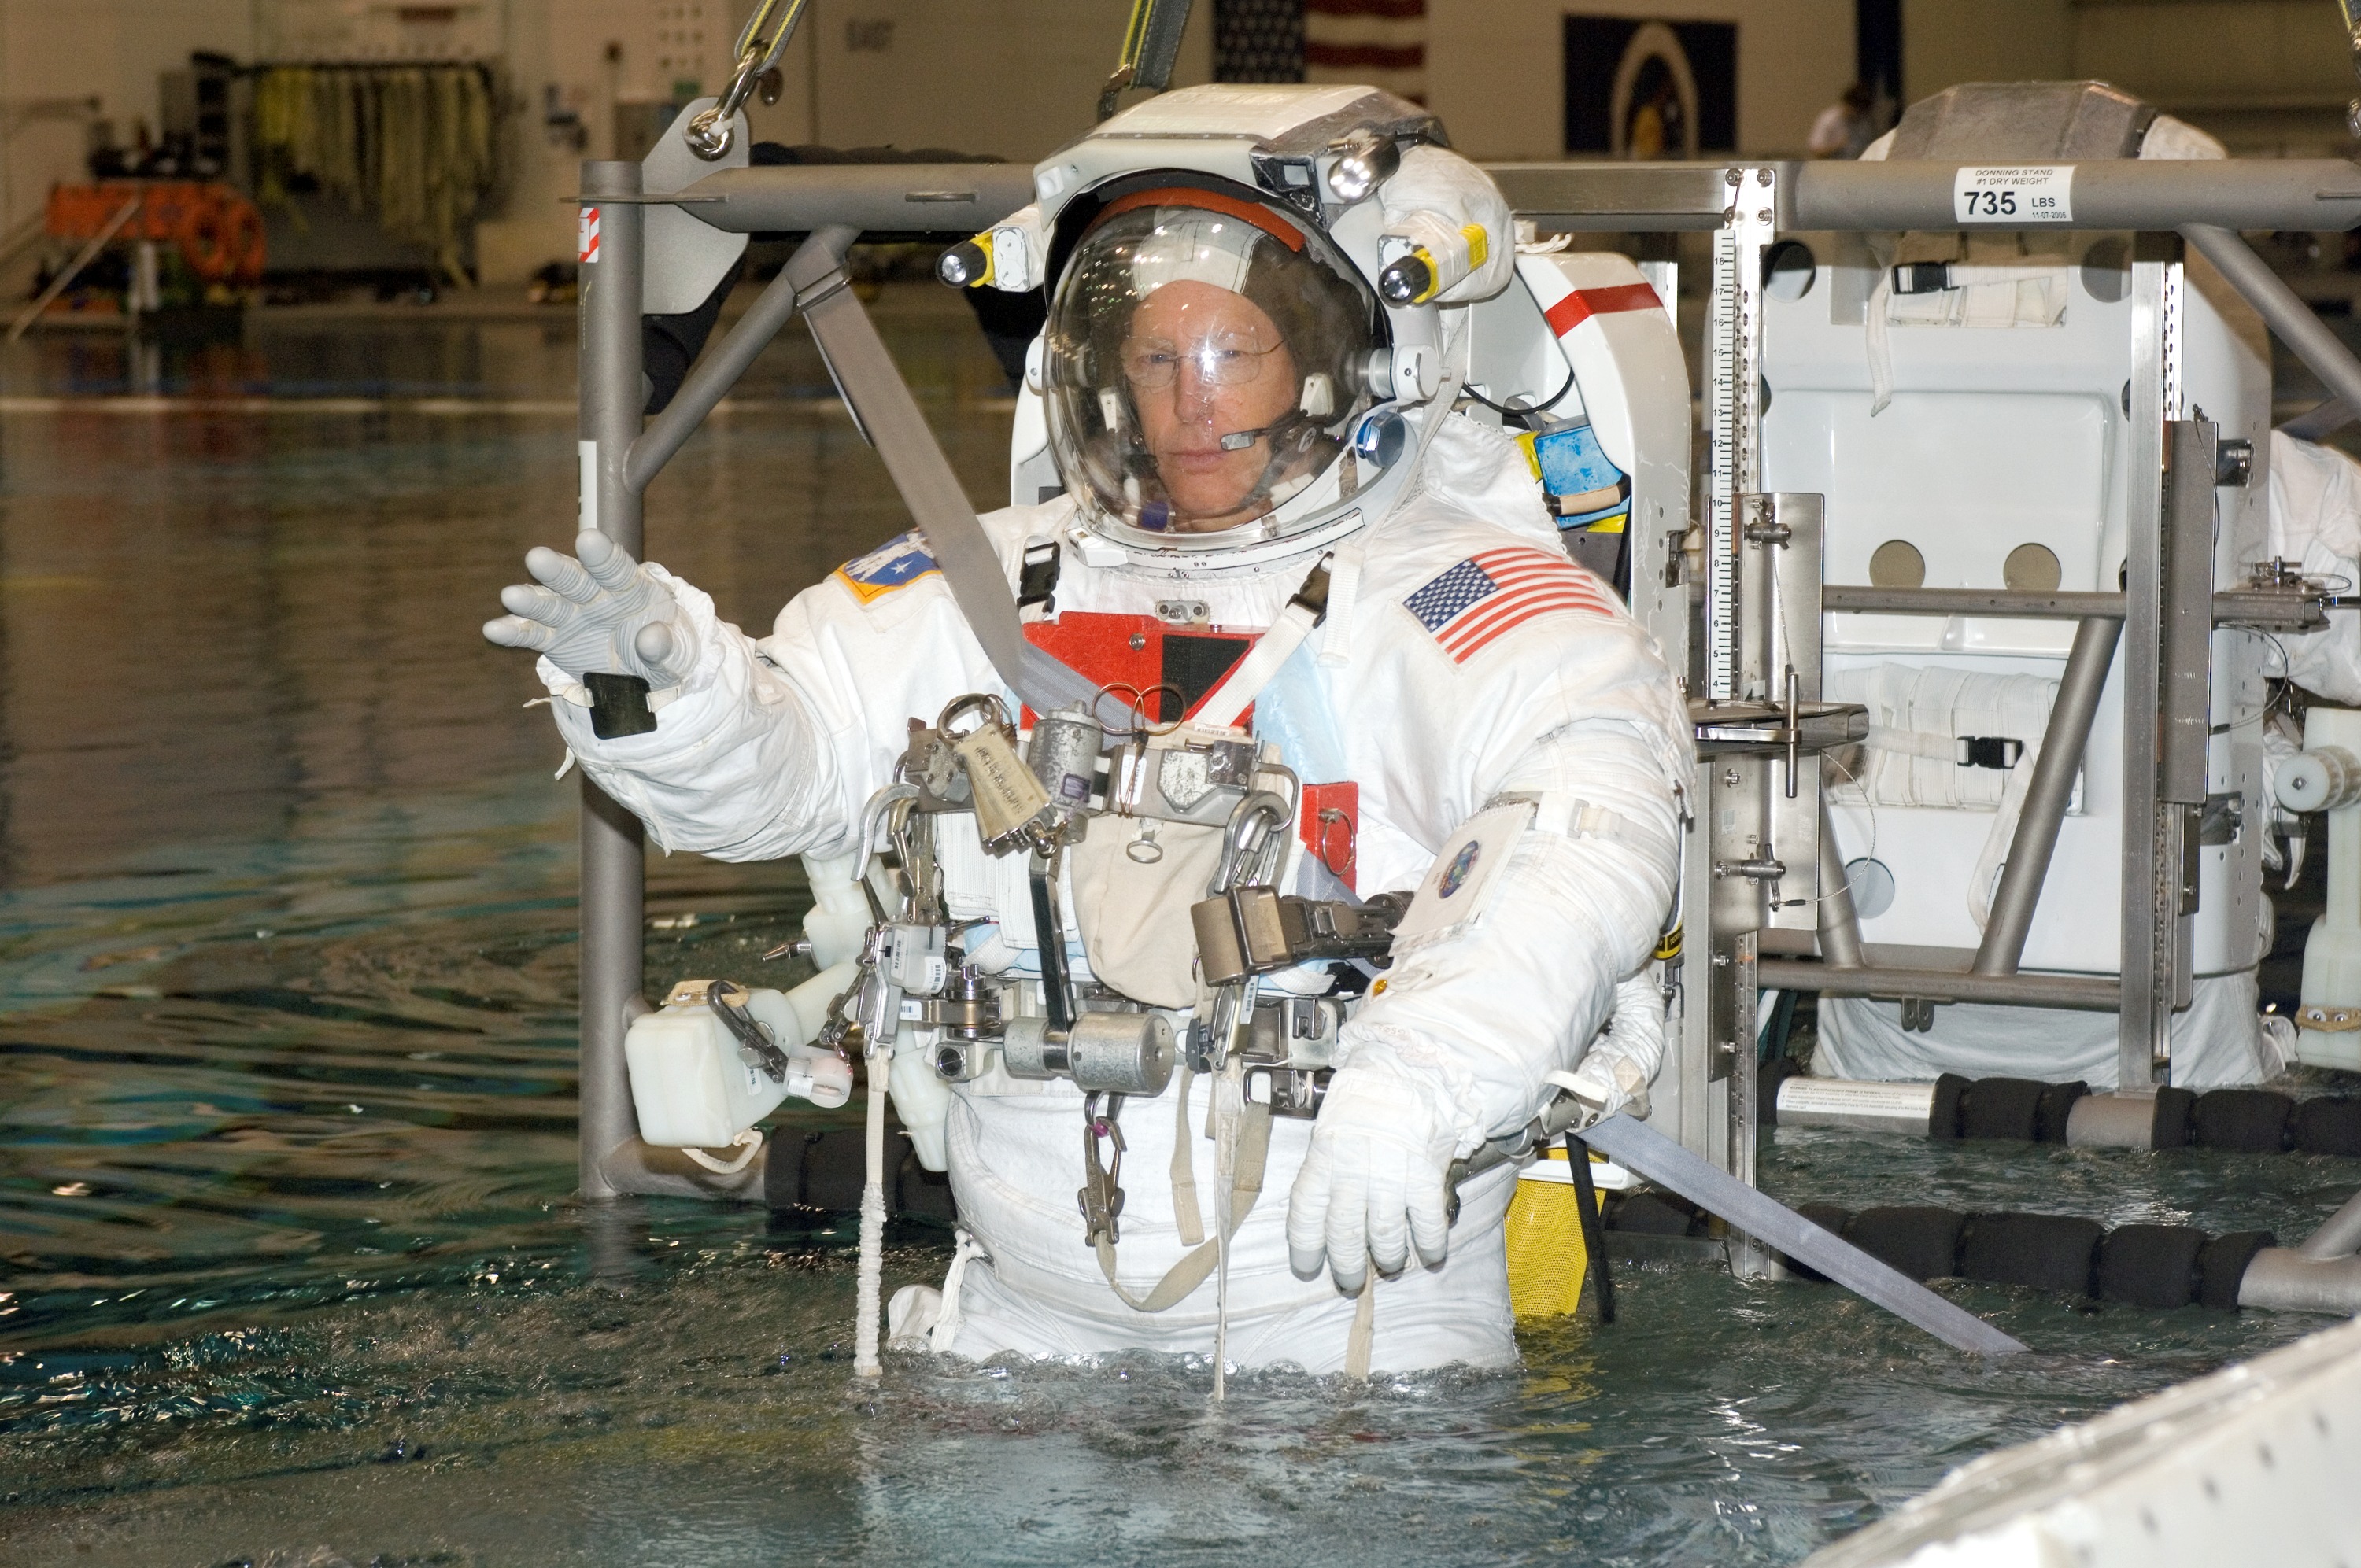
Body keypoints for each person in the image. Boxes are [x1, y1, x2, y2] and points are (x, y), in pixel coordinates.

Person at [484, 87, 1687, 1373]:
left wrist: (1419, 1083)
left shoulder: (1460, 599)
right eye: (1157, 361)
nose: (1191, 405)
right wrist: (661, 685)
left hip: (1350, 1325)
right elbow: (787, 773)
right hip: (1019, 1327)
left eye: (1236, 354)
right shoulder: (980, 584)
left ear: (1350, 359)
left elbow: (1589, 836)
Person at [1809, 83, 1875, 160]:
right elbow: (1815, 150)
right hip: (1832, 167)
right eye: (1855, 111)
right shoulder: (1829, 119)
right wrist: (1836, 146)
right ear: (1847, 104)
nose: (1857, 116)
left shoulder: (1865, 123)